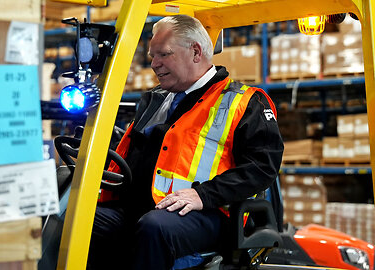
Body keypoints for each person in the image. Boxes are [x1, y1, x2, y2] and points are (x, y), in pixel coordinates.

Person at [87, 14, 284, 270]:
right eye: (152, 56)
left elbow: (262, 168)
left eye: (164, 55)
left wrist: (203, 195)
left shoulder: (244, 102)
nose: (154, 64)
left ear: (195, 52)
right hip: (144, 207)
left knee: (154, 228)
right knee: (75, 217)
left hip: (208, 212)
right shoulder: (157, 99)